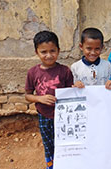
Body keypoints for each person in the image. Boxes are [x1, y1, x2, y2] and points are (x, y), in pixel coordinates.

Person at [25, 30, 73, 169]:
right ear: (36, 52)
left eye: (52, 51)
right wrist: (40, 99)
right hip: (44, 116)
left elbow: (71, 92)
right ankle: (51, 166)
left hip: (63, 116)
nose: (49, 55)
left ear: (58, 50)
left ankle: (66, 164)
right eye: (43, 52)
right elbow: (28, 95)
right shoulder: (33, 72)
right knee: (48, 143)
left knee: (64, 142)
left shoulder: (65, 71)